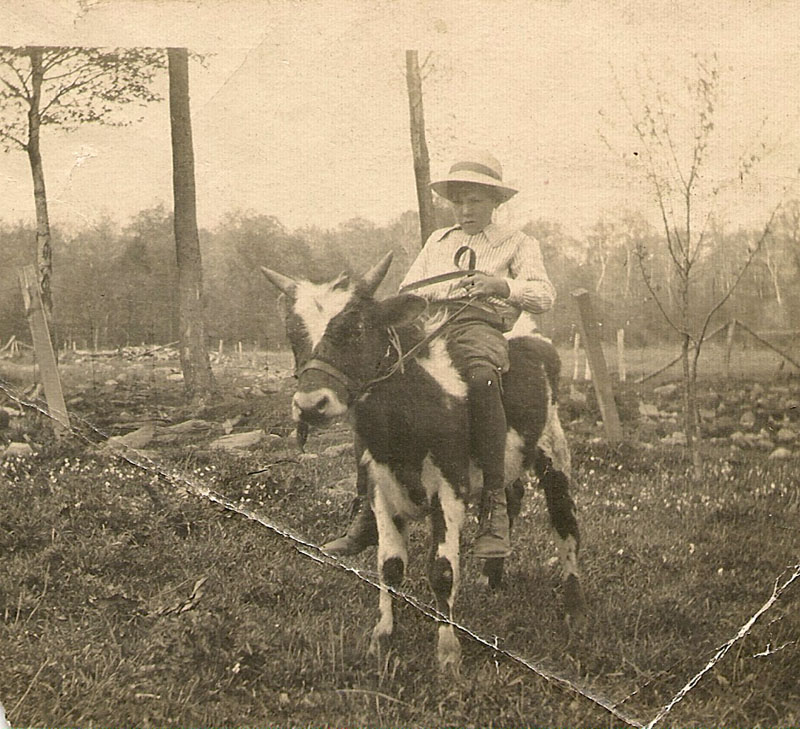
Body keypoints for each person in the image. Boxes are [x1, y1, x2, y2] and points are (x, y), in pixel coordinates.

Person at [323, 150, 556, 559]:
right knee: (370, 388)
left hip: (479, 328)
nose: (465, 210)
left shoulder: (518, 243)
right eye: (458, 201)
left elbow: (544, 295)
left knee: (483, 379)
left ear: (496, 202)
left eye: (476, 201)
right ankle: (366, 509)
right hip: (429, 327)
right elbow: (412, 288)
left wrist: (502, 288)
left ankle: (493, 509)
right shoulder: (438, 241)